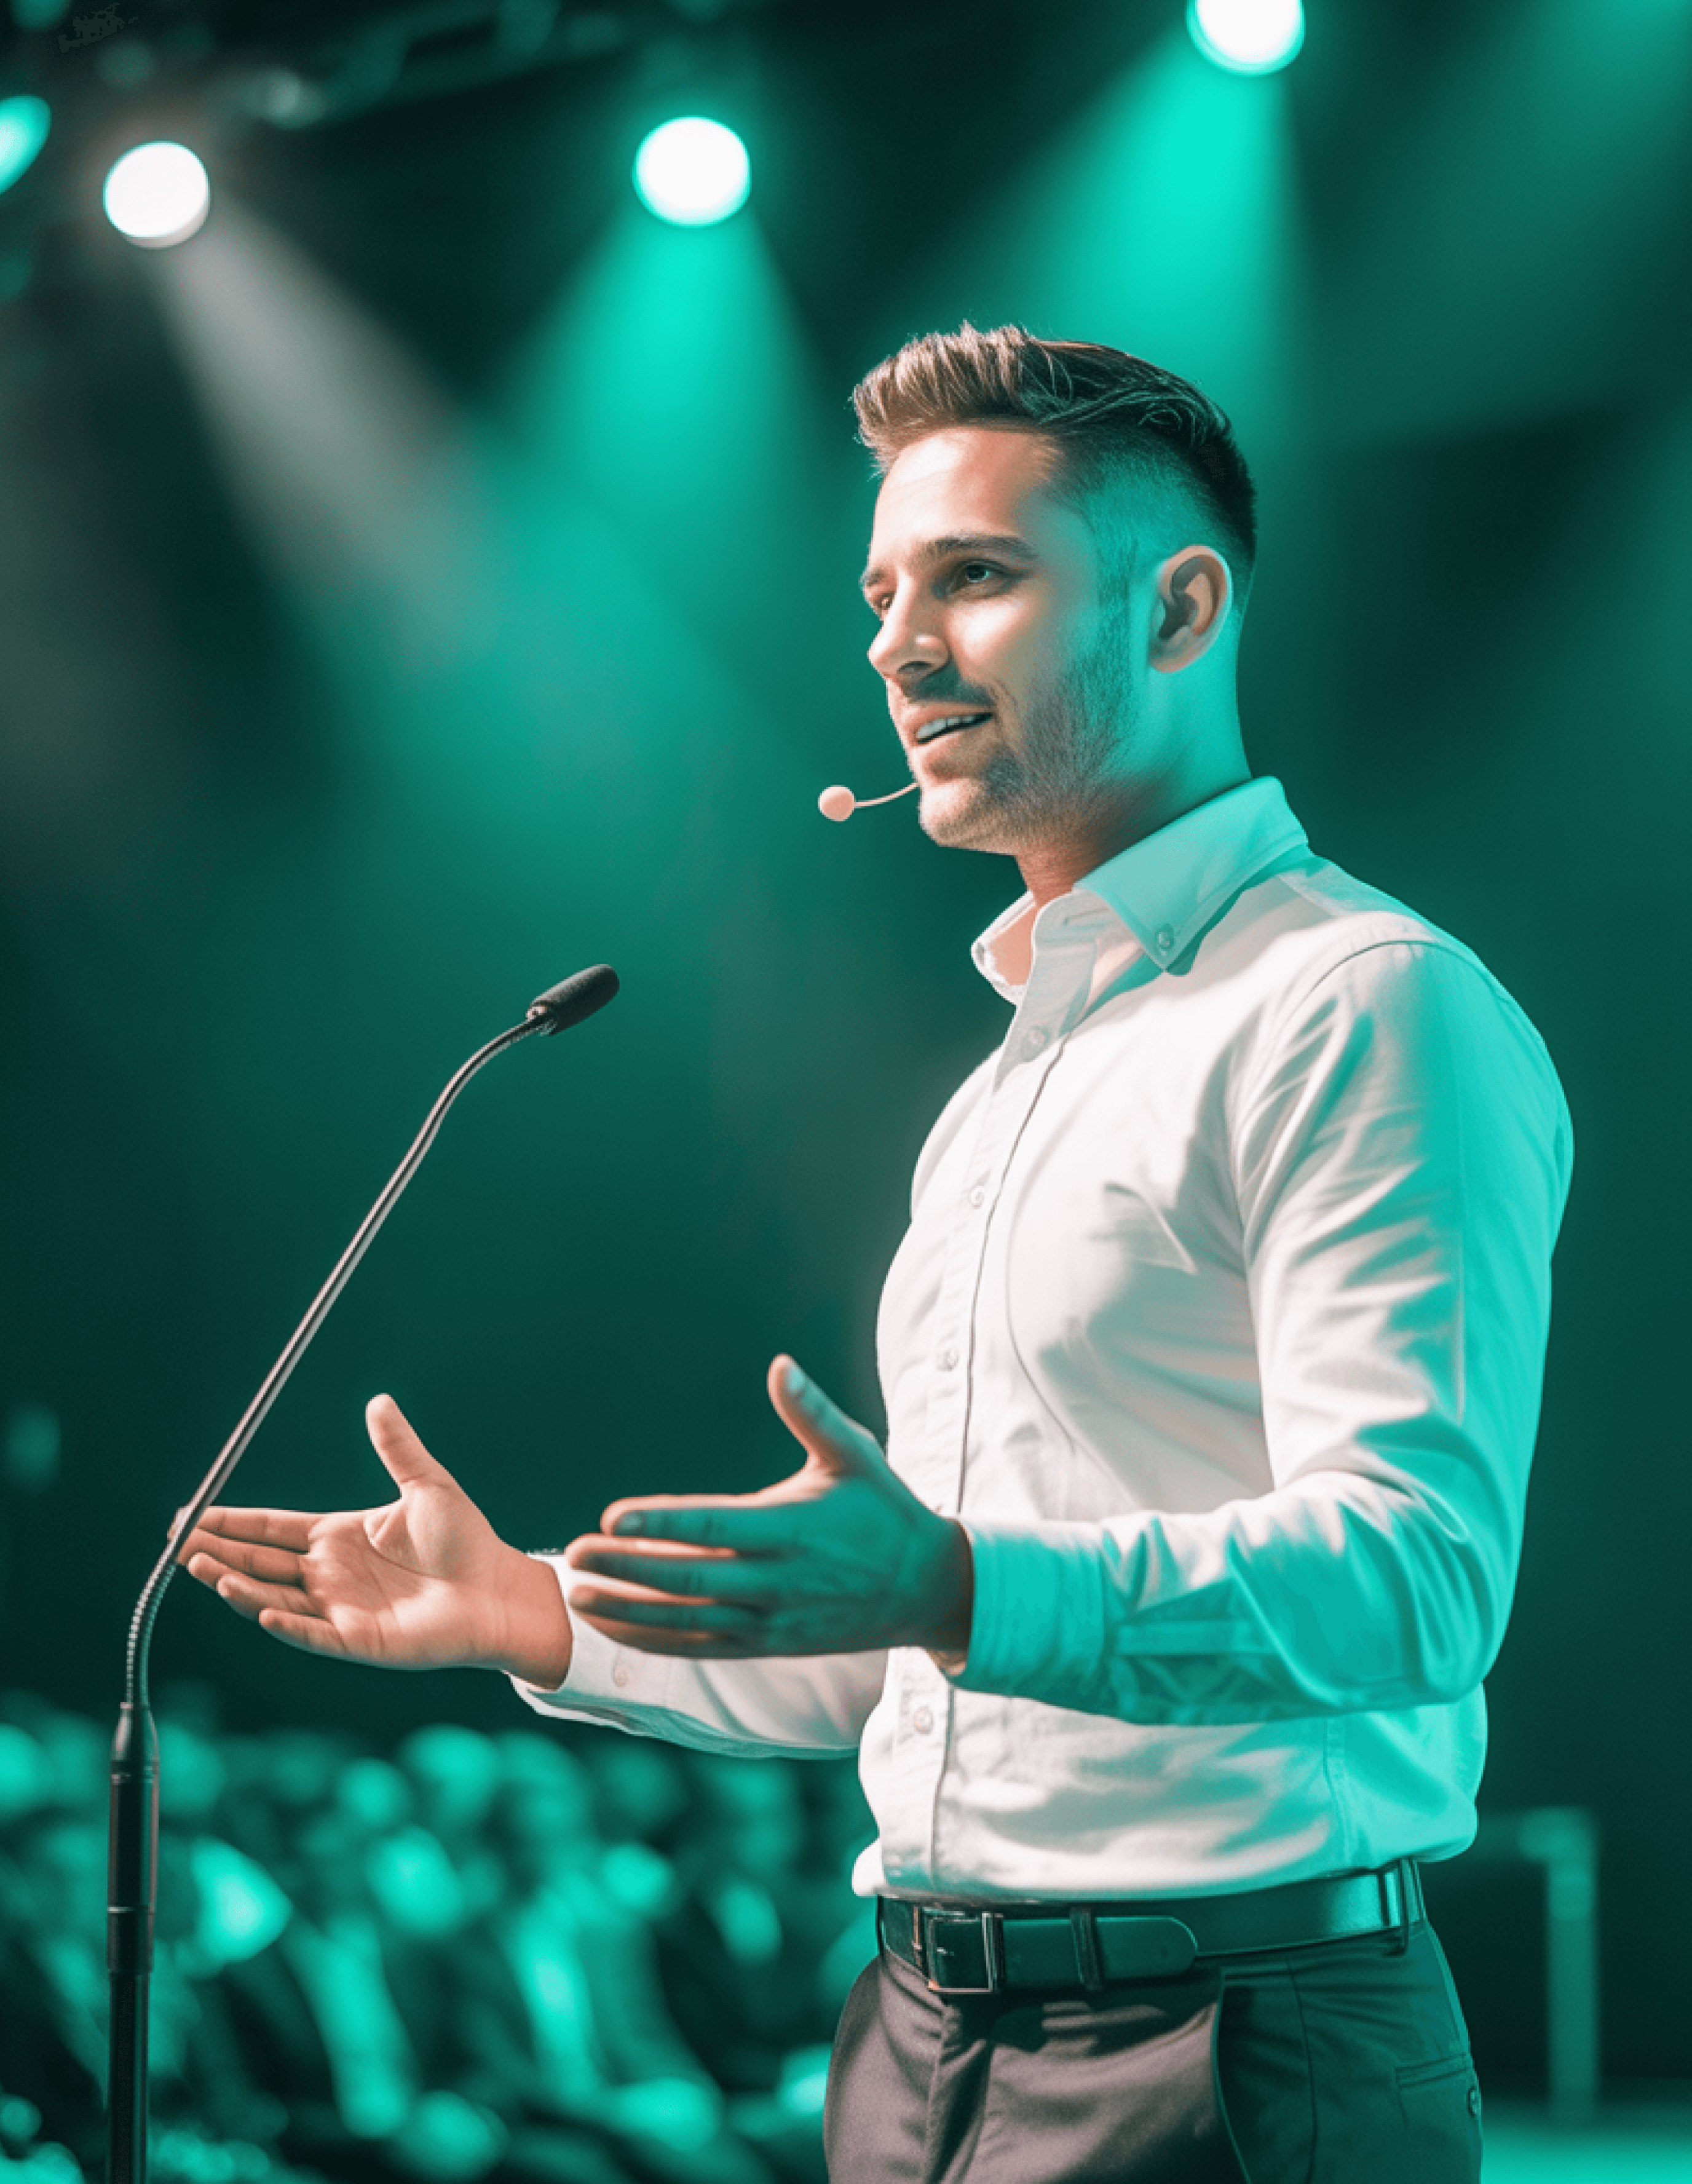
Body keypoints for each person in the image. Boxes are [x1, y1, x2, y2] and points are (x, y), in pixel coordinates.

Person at [181, 325, 1572, 2182]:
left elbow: (1419, 1579)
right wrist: (534, 1616)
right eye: (882, 593)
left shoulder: (1361, 1007)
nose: (897, 648)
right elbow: (921, 1646)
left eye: (976, 579)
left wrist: (954, 1581)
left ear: (1178, 610)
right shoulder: (1006, 1085)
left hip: (1233, 2049)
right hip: (913, 2034)